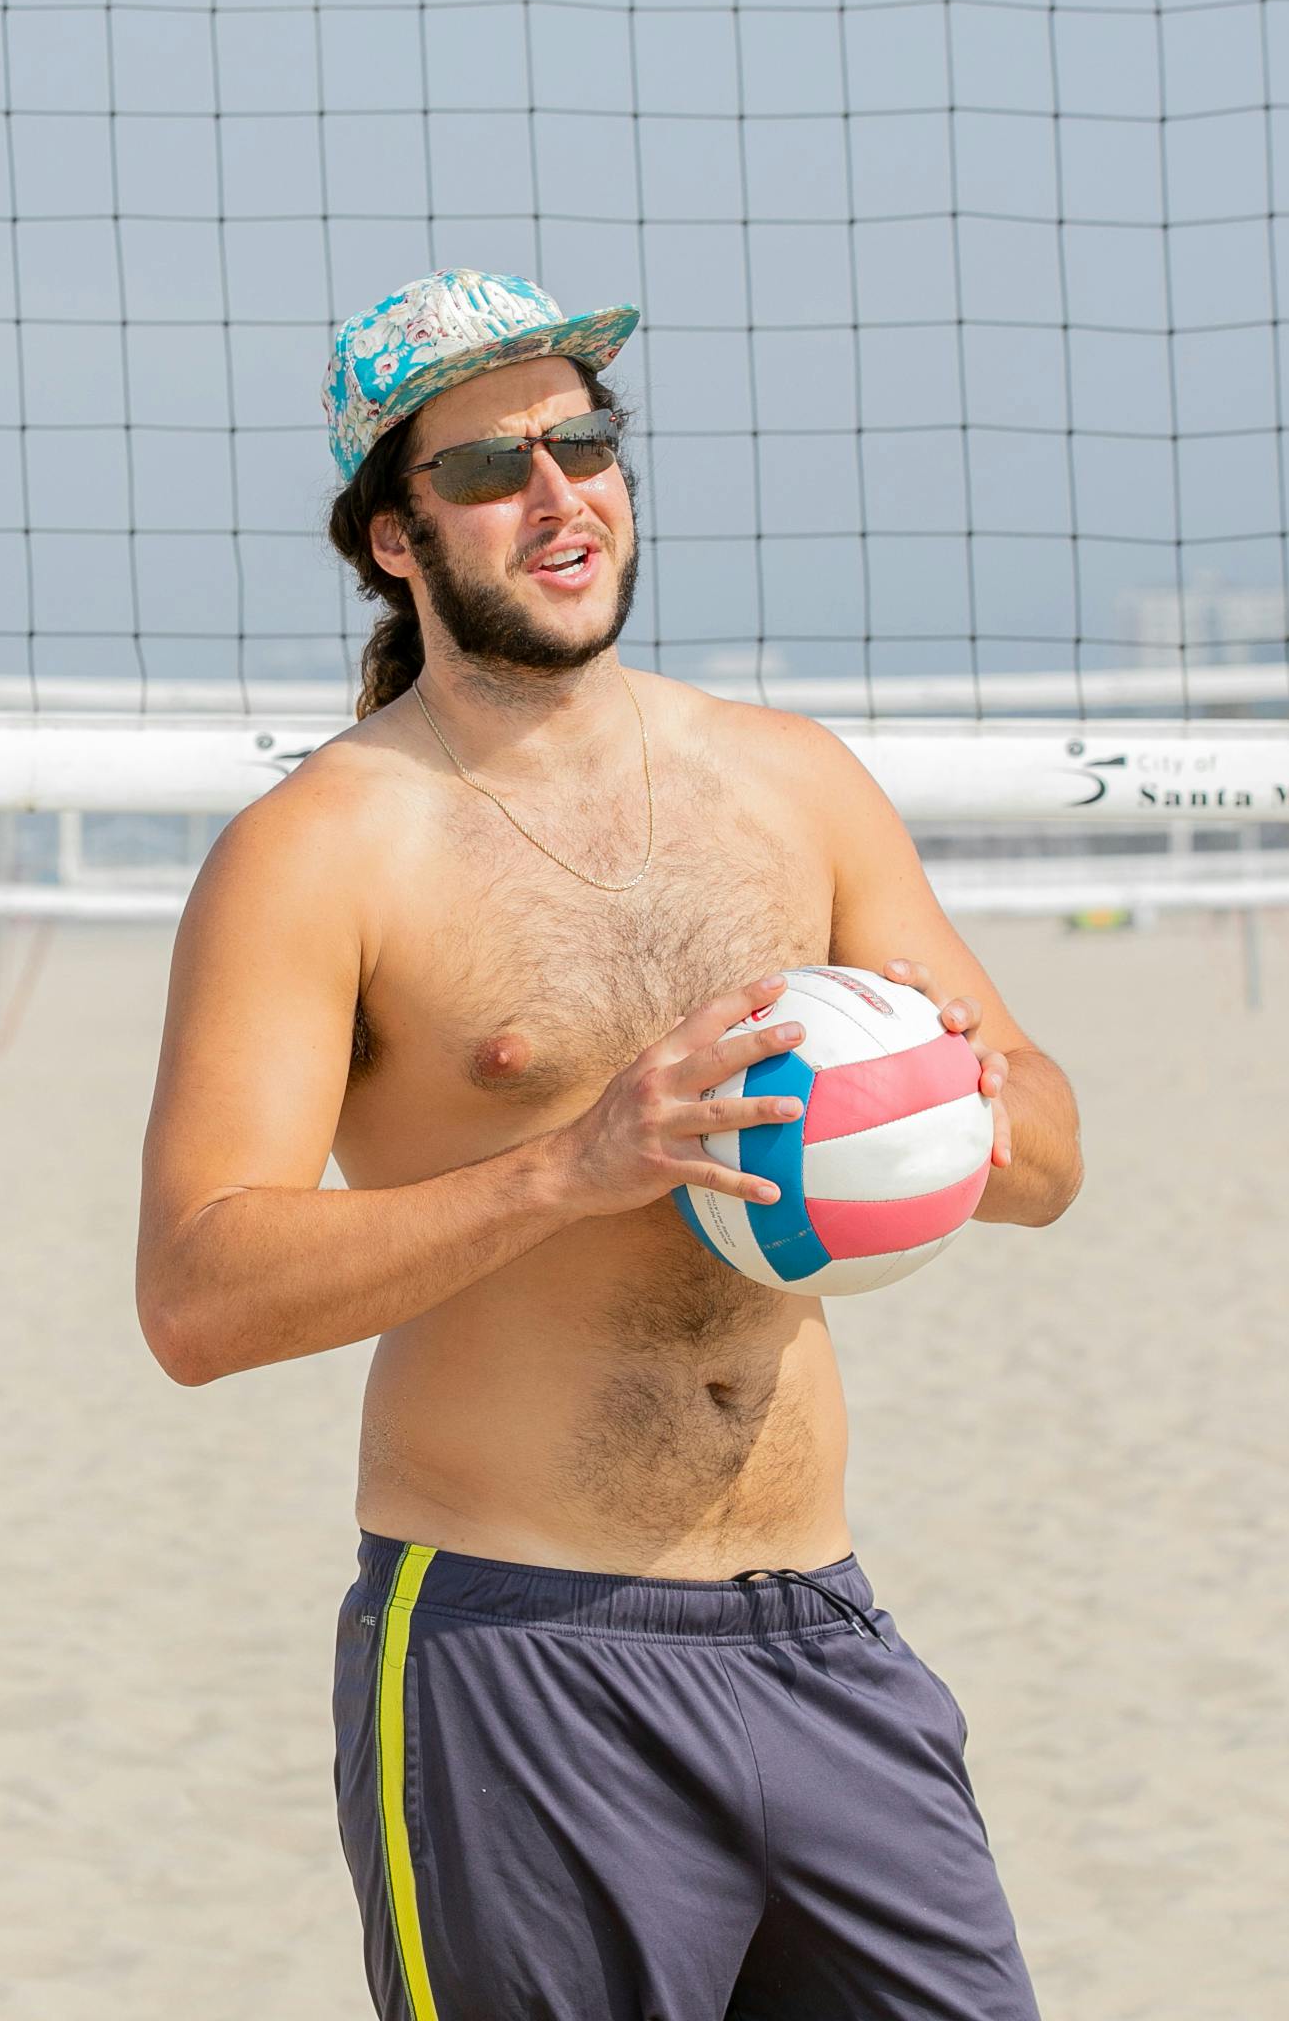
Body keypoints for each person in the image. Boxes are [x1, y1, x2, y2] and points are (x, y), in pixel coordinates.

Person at [135, 270, 1085, 2019]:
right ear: (394, 542)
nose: (560, 492)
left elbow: (1050, 1155)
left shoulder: (794, 782)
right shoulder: (322, 851)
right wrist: (570, 1163)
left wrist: (954, 1100)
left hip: (821, 1636)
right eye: (493, 467)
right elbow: (198, 1296)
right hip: (516, 1652)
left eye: (586, 442)